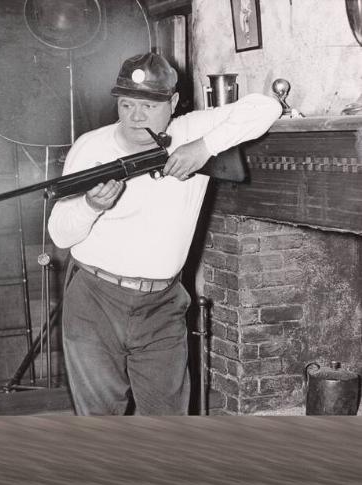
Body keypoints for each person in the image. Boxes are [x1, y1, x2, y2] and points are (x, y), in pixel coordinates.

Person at [48, 52, 281, 416]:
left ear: (172, 103)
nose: (135, 116)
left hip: (162, 304)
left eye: (148, 105)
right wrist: (91, 207)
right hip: (96, 301)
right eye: (126, 104)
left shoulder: (191, 130)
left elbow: (267, 107)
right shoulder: (91, 147)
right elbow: (60, 234)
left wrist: (204, 148)